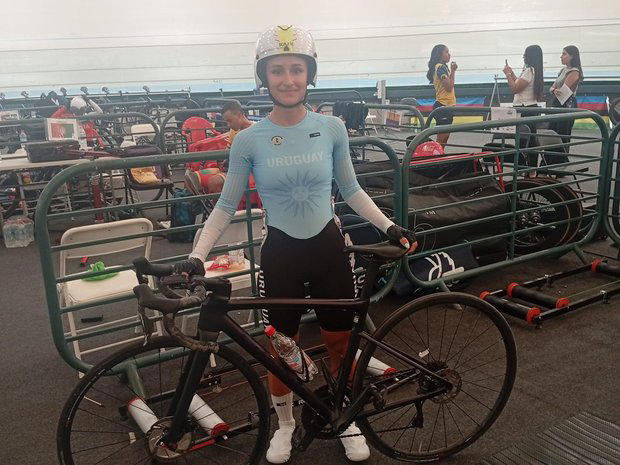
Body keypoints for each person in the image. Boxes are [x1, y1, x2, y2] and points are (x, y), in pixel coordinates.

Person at [172, 24, 417, 464]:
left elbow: (351, 189)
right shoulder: (248, 139)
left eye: (296, 69)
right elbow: (225, 205)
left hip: (328, 250)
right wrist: (196, 256)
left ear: (309, 75)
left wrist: (389, 227)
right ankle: (284, 425)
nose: (288, 79)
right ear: (264, 77)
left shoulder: (332, 127)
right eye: (278, 70)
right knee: (281, 351)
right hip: (280, 254)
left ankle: (344, 416)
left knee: (339, 344)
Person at [503, 45, 544, 172]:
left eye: (525, 54)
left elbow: (515, 88)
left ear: (531, 56)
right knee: (531, 140)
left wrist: (507, 75)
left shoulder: (529, 71)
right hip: (530, 107)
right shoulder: (534, 70)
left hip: (524, 108)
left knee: (526, 141)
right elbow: (520, 84)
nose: (523, 57)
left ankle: (527, 169)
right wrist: (512, 74)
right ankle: (530, 169)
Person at [548, 45, 583, 159]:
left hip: (567, 104)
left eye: (564, 54)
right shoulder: (563, 70)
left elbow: (563, 91)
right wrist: (554, 90)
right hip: (557, 102)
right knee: (552, 131)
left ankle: (560, 160)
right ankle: (551, 159)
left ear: (572, 56)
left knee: (562, 132)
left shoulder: (574, 71)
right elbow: (552, 88)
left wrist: (554, 90)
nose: (561, 56)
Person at [427, 44, 457, 147]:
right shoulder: (440, 68)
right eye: (446, 52)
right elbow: (449, 87)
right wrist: (453, 71)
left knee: (445, 137)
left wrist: (451, 71)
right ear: (440, 54)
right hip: (442, 105)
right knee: (441, 138)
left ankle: (440, 154)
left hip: (448, 105)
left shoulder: (443, 67)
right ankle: (436, 155)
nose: (449, 54)